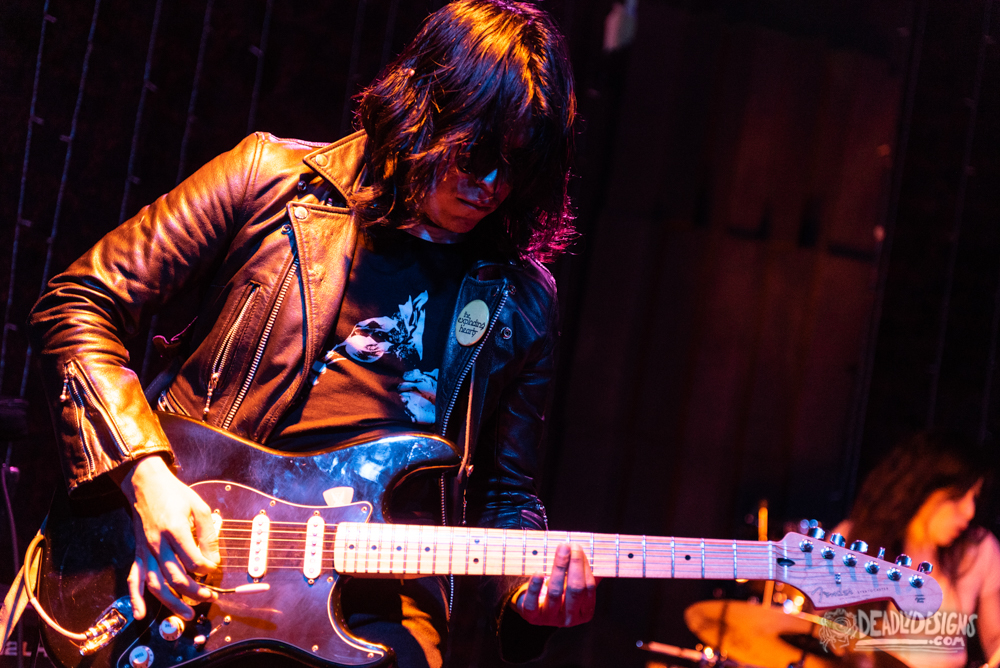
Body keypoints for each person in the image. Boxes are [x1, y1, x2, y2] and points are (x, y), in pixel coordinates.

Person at [27, 2, 597, 666]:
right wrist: (145, 475)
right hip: (196, 546)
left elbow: (505, 490)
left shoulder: (520, 298)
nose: (493, 185)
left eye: (518, 167)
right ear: (426, 110)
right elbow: (80, 301)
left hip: (379, 600)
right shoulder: (269, 179)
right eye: (476, 154)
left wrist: (529, 592)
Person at [834, 431, 1000, 668]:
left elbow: (995, 637)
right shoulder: (853, 542)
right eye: (958, 496)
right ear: (922, 488)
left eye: (974, 497)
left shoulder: (979, 549)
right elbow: (821, 632)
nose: (969, 511)